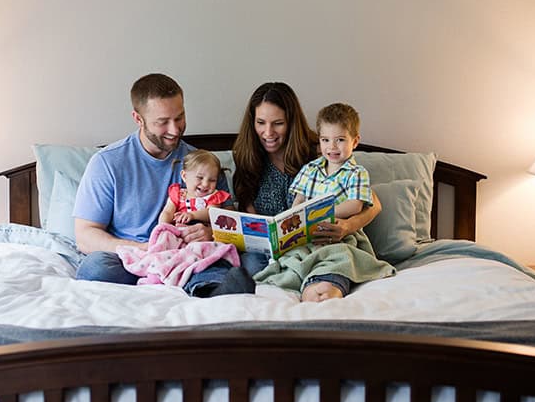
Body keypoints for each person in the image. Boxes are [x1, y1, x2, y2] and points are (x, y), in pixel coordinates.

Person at [73, 73, 254, 297]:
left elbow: (230, 223)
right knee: (96, 267)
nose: (175, 129)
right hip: (133, 256)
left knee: (222, 261)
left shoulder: (202, 164)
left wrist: (210, 233)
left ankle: (212, 290)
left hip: (185, 255)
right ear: (138, 119)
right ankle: (150, 286)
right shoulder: (108, 163)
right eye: (163, 122)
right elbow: (84, 235)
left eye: (179, 117)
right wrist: (143, 249)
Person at [233, 83, 388, 301]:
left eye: (278, 123)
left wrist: (347, 226)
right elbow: (249, 213)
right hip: (269, 250)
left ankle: (317, 286)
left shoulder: (322, 151)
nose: (268, 133)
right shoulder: (247, 157)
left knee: (333, 260)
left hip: (319, 239)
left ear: (291, 122)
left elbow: (373, 204)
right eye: (260, 123)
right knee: (251, 268)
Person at [280, 102, 389, 301]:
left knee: (341, 258)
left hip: (341, 235)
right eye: (325, 140)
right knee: (292, 259)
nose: (332, 147)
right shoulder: (310, 169)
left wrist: (318, 213)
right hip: (308, 233)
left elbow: (355, 205)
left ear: (355, 141)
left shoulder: (356, 173)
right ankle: (309, 286)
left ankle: (330, 286)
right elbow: (299, 200)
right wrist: (296, 217)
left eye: (340, 140)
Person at [159, 150, 231, 226]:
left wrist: (193, 215)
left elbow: (211, 214)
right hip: (177, 230)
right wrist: (163, 226)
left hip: (202, 233)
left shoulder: (213, 196)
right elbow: (167, 212)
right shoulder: (178, 194)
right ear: (184, 176)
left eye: (212, 180)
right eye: (200, 178)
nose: (205, 184)